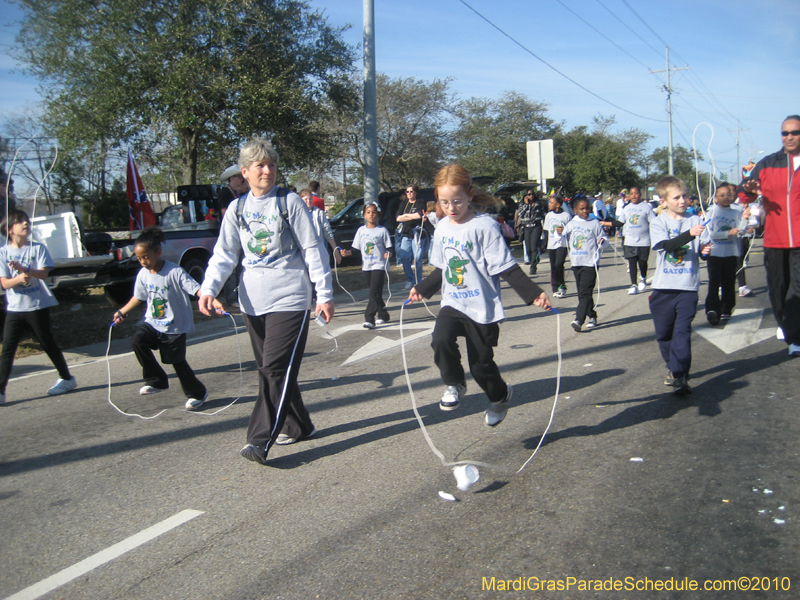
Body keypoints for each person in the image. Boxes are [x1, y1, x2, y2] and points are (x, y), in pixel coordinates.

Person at [199, 138, 334, 464]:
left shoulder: (289, 203)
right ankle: (299, 424)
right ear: (245, 172)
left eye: (271, 165)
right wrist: (208, 288)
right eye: (260, 165)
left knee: (273, 369)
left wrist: (324, 293)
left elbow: (312, 248)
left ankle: (259, 439)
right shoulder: (238, 208)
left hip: (290, 297)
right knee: (275, 370)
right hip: (252, 302)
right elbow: (225, 253)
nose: (267, 170)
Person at [408, 164, 551, 427]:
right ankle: (454, 384)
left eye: (457, 201)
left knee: (481, 367)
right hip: (453, 302)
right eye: (444, 202)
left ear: (470, 195)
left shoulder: (484, 226)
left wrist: (534, 294)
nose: (451, 208)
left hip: (482, 307)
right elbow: (442, 268)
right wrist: (422, 288)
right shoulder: (442, 228)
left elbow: (506, 266)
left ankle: (500, 397)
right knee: (440, 339)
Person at [111, 227, 208, 409]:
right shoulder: (143, 275)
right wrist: (122, 311)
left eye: (146, 257)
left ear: (158, 252)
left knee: (177, 362)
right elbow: (138, 297)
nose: (143, 262)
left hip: (175, 326)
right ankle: (157, 380)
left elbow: (195, 288)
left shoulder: (174, 271)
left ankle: (198, 393)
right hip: (153, 322)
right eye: (139, 258)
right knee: (137, 341)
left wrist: (207, 298)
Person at [0, 210, 77, 403]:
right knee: (8, 350)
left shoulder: (38, 248)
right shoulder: (3, 253)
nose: (26, 223)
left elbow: (43, 274)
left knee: (47, 343)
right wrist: (17, 278)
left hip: (37, 306)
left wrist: (26, 269)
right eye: (20, 222)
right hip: (15, 310)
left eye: (26, 220)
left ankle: (67, 379)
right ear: (10, 229)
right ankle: (0, 391)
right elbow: (4, 283)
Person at [740, 115, 800, 356]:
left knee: (797, 287)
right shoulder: (768, 163)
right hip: (774, 239)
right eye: (785, 133)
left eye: (794, 132)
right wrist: (748, 190)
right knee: (777, 286)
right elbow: (745, 194)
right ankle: (785, 323)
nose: (789, 137)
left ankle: (794, 336)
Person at [649, 176, 711, 396]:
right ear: (664, 201)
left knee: (682, 332)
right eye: (677, 197)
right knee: (664, 334)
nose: (683, 200)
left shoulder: (695, 221)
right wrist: (689, 235)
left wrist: (704, 252)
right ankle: (672, 366)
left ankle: (680, 374)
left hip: (687, 287)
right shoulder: (659, 222)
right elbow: (665, 246)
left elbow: (701, 249)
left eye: (685, 196)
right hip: (663, 288)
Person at [702, 183, 750, 324]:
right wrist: (726, 233)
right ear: (715, 198)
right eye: (721, 195)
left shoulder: (736, 212)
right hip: (715, 254)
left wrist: (745, 218)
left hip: (731, 253)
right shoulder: (712, 213)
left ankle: (727, 309)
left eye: (728, 195)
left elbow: (741, 230)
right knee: (714, 282)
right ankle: (712, 310)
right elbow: (709, 233)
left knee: (729, 283)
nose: (725, 198)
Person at [340, 203, 392, 329]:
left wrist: (388, 254)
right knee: (375, 292)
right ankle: (383, 314)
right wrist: (347, 252)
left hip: (379, 265)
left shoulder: (382, 231)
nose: (371, 215)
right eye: (368, 212)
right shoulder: (361, 231)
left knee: (373, 292)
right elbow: (356, 248)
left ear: (378, 214)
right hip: (367, 265)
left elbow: (390, 247)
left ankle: (369, 318)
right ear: (364, 215)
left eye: (373, 212)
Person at [563, 198, 607, 332]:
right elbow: (562, 239)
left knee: (585, 292)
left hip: (590, 263)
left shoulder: (594, 223)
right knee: (583, 294)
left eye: (587, 208)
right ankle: (592, 315)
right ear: (575, 210)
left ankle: (579, 319)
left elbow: (604, 239)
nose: (585, 211)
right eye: (581, 209)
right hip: (577, 263)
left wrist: (602, 241)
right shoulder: (571, 224)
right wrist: (558, 233)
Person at [602, 186, 655, 295]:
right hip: (629, 240)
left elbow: (654, 223)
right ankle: (633, 284)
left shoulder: (647, 207)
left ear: (640, 194)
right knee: (632, 262)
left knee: (642, 262)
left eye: (636, 193)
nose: (634, 196)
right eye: (631, 194)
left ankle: (643, 278)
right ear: (628, 196)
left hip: (644, 241)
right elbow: (620, 222)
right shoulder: (626, 208)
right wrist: (605, 223)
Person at [218, 165, 250, 307]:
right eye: (239, 178)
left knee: (239, 266)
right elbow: (225, 213)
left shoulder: (240, 195)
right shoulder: (226, 193)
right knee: (231, 266)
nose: (242, 181)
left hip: (241, 233)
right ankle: (231, 298)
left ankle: (239, 295)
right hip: (231, 233)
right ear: (232, 178)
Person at [395, 184, 427, 289]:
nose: (409, 194)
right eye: (407, 192)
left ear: (416, 192)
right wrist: (408, 217)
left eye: (411, 191)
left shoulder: (420, 202)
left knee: (417, 257)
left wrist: (405, 216)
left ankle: (418, 280)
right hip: (406, 233)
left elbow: (419, 215)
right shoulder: (404, 203)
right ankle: (410, 278)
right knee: (404, 256)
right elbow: (398, 218)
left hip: (417, 233)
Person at [299, 188, 340, 266]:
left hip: (318, 250)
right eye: (305, 199)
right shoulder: (297, 214)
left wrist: (335, 250)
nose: (308, 201)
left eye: (310, 199)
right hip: (303, 251)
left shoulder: (319, 213)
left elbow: (327, 232)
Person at [543, 195, 571, 298]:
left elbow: (570, 230)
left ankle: (562, 286)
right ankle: (555, 287)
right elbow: (546, 230)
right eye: (549, 202)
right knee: (553, 266)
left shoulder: (566, 215)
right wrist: (544, 244)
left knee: (559, 264)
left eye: (551, 202)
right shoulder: (549, 215)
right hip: (552, 244)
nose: (549, 204)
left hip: (562, 244)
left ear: (558, 205)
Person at [514, 188, 546, 274]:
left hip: (536, 226)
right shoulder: (522, 205)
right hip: (527, 227)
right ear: (525, 196)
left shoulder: (538, 203)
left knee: (533, 247)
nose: (530, 196)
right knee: (528, 249)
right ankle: (535, 258)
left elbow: (543, 214)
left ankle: (533, 266)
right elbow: (521, 214)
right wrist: (526, 205)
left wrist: (544, 226)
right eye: (528, 194)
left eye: (532, 194)